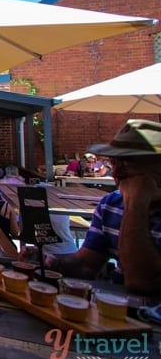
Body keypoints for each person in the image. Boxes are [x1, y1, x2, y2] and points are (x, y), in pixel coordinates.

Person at [33, 119, 161, 296]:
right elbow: (86, 265)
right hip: (115, 312)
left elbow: (142, 283)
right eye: (114, 163)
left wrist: (135, 205)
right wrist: (51, 262)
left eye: (126, 165)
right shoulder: (111, 205)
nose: (115, 174)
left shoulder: (129, 204)